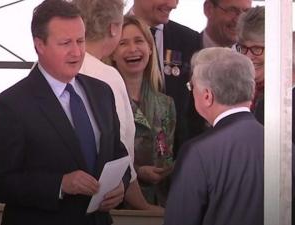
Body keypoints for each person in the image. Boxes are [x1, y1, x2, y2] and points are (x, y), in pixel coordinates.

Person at [0, 1, 130, 224]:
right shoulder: (12, 105)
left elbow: (118, 152)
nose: (77, 51)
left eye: (80, 41)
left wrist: (122, 184)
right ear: (39, 45)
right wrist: (59, 184)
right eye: (65, 43)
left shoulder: (102, 92)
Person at [71, 0, 160, 211]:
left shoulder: (49, 65)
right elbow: (120, 153)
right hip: (92, 206)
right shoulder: (107, 77)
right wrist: (144, 207)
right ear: (113, 28)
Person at [164, 47, 263, 225]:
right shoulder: (284, 146)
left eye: (191, 87)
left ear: (207, 96)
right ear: (252, 90)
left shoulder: (197, 153)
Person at [110, 15, 176, 206]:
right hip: (119, 205)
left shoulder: (167, 104)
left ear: (150, 48)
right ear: (112, 53)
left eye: (139, 41)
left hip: (161, 204)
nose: (133, 49)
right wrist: (138, 171)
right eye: (123, 43)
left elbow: (166, 154)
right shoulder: (106, 101)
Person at [128, 0, 206, 156]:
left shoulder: (190, 39)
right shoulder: (109, 35)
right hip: (125, 165)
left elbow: (194, 111)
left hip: (177, 162)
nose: (173, 4)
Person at [236, 6, 265, 124]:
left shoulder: (288, 98)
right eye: (243, 48)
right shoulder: (235, 89)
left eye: (257, 48)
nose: (247, 57)